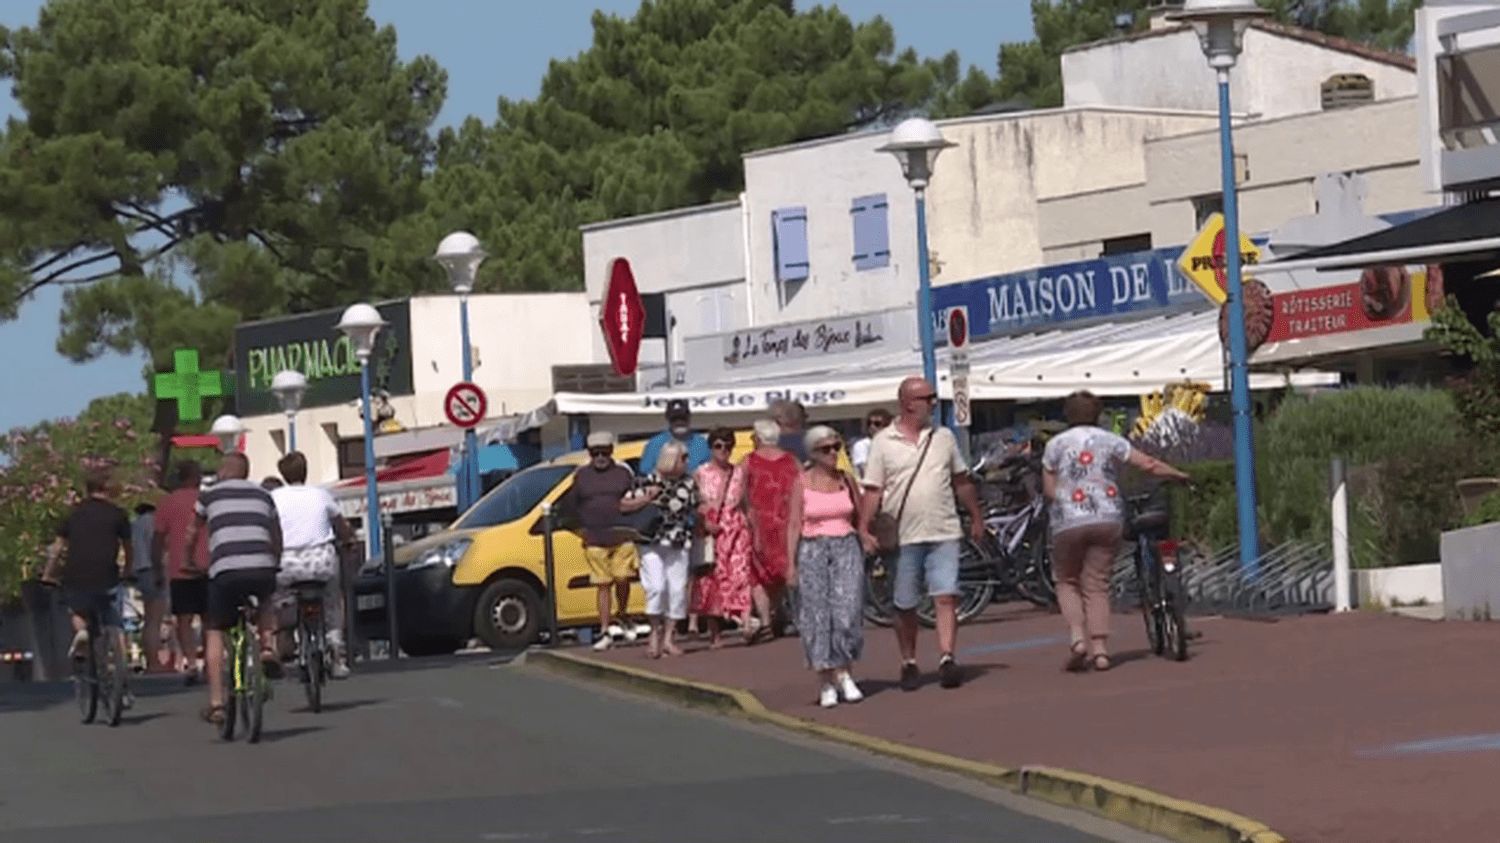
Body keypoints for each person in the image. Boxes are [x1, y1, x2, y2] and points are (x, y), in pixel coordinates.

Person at [1042, 390, 1189, 672]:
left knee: (1067, 580)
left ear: (1067, 415)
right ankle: (1100, 650)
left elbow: (1049, 490)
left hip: (1069, 520)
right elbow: (1148, 464)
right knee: (1097, 583)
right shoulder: (1110, 441)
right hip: (1108, 516)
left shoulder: (1054, 446)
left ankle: (1077, 639)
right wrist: (1178, 474)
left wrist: (1067, 497)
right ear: (1098, 414)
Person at [859, 376, 985, 692]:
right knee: (905, 603)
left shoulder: (943, 437)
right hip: (903, 535)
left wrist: (976, 516)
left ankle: (947, 657)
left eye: (933, 397)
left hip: (943, 528)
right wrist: (864, 526)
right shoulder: (883, 442)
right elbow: (873, 489)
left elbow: (961, 480)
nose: (932, 403)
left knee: (946, 595)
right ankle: (909, 660)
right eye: (927, 398)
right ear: (907, 403)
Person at [184, 452, 283, 726]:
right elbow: (276, 534)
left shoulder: (210, 495)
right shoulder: (264, 495)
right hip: (261, 566)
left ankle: (217, 703)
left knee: (215, 629)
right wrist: (275, 559)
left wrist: (188, 560)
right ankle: (266, 647)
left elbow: (192, 532)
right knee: (265, 599)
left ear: (225, 471)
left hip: (225, 571)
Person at [787, 426, 866, 708]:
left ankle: (844, 672)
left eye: (837, 447)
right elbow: (795, 522)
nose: (833, 453)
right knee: (818, 616)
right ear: (813, 454)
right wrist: (790, 564)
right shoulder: (802, 482)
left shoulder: (846, 480)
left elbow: (860, 514)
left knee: (847, 611)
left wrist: (866, 535)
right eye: (826, 449)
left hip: (845, 545)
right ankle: (825, 680)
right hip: (812, 548)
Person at [43, 466, 134, 706]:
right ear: (107, 487)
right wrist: (128, 570)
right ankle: (122, 685)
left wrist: (49, 574)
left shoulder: (73, 514)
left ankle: (81, 630)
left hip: (77, 576)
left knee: (76, 607)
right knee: (115, 623)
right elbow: (128, 548)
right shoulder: (118, 514)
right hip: (107, 576)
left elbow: (57, 549)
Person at [270, 451, 356, 679]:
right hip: (320, 560)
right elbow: (340, 524)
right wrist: (349, 540)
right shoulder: (321, 495)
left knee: (281, 598)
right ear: (305, 471)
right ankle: (336, 649)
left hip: (287, 562)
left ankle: (286, 634)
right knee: (332, 600)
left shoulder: (275, 497)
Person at [566, 432, 646, 651]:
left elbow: (634, 498)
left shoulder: (623, 472)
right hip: (594, 537)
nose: (600, 457)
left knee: (622, 577)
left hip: (622, 535)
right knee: (602, 584)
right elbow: (571, 506)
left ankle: (623, 612)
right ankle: (604, 628)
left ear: (611, 451)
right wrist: (580, 530)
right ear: (590, 454)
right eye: (595, 453)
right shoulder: (581, 475)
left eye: (604, 452)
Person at [631, 441, 699, 658]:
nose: (686, 462)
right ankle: (654, 632)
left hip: (678, 539)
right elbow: (625, 504)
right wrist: (647, 497)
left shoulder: (689, 483)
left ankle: (669, 637)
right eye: (683, 458)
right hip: (651, 540)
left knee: (677, 590)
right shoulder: (647, 480)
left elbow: (697, 507)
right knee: (657, 587)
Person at [691, 427, 753, 649]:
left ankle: (745, 623)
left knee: (741, 576)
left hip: (736, 530)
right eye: (718, 445)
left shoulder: (739, 472)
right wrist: (704, 524)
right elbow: (695, 504)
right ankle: (715, 634)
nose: (724, 450)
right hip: (712, 531)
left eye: (728, 445)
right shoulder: (700, 473)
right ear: (711, 448)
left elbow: (746, 502)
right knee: (713, 580)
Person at [742, 418, 801, 643]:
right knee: (781, 572)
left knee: (758, 575)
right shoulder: (792, 461)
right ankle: (776, 616)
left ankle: (767, 620)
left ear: (758, 437)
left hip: (760, 524)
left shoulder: (748, 462)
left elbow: (739, 494)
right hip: (787, 523)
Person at [152, 460, 210, 683]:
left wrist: (157, 566)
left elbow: (158, 537)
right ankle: (207, 660)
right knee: (209, 619)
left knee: (183, 620)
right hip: (206, 564)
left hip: (179, 568)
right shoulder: (206, 500)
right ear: (196, 478)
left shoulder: (167, 502)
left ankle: (191, 663)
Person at [130, 500, 171, 673]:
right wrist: (161, 571)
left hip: (139, 570)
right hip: (153, 569)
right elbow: (158, 548)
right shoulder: (152, 522)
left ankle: (151, 660)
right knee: (155, 619)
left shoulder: (134, 525)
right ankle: (155, 663)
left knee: (148, 619)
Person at [638, 398, 712, 477]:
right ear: (667, 418)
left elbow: (711, 470)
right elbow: (645, 471)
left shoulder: (701, 443)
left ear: (689, 417)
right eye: (674, 419)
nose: (679, 422)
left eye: (683, 418)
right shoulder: (654, 443)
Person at [850, 408, 893, 477]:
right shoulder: (862, 445)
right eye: (869, 423)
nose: (872, 426)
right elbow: (864, 471)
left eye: (877, 424)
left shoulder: (893, 444)